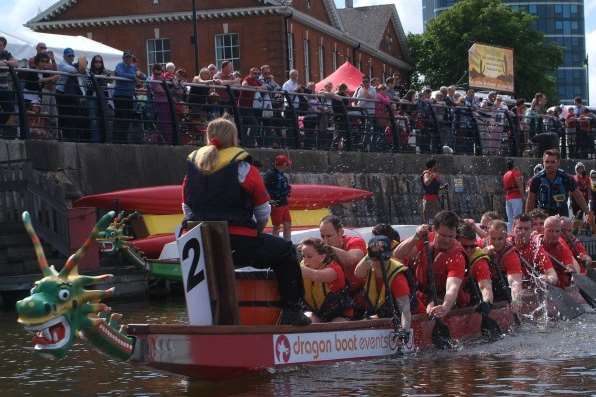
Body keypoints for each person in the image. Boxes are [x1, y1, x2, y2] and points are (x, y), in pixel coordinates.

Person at [181, 118, 310, 325]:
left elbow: (187, 208)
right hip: (240, 245)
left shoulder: (194, 167)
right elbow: (262, 210)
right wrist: (257, 231)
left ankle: (205, 319)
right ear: (233, 138)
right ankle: (292, 311)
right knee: (286, 251)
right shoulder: (243, 167)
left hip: (202, 247)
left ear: (208, 137)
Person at [394, 210, 465, 318]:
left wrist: (445, 307)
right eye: (443, 235)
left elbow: (453, 287)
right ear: (435, 230)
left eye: (451, 236)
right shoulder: (424, 238)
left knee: (432, 307)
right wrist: (416, 236)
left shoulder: (457, 255)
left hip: (441, 297)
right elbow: (398, 254)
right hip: (418, 293)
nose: (447, 240)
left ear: (456, 233)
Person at [354, 236, 411, 332]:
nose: (379, 262)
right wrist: (371, 251)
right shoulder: (368, 269)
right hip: (385, 317)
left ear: (389, 257)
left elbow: (405, 311)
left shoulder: (397, 278)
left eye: (384, 258)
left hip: (409, 319)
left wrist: (404, 331)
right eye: (375, 258)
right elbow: (358, 273)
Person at [319, 215, 367, 314]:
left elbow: (351, 260)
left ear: (340, 232)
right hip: (337, 300)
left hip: (363, 298)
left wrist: (329, 248)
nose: (325, 241)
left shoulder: (355, 241)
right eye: (322, 236)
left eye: (328, 236)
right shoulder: (322, 250)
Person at [299, 238, 351, 323]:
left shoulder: (334, 270)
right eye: (303, 256)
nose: (305, 260)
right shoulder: (303, 267)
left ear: (322, 257)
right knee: (308, 319)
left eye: (309, 256)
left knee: (337, 323)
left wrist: (293, 268)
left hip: (338, 315)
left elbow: (315, 275)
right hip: (315, 313)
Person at [526, 149, 590, 218]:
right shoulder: (536, 179)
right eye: (547, 162)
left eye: (553, 162)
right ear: (543, 163)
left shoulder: (567, 178)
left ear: (558, 162)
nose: (549, 165)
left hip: (562, 215)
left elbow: (578, 197)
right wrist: (527, 219)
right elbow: (530, 201)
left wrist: (588, 213)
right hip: (543, 215)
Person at [483, 220, 523, 311]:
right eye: (493, 239)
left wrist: (516, 300)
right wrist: (483, 253)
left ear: (506, 237)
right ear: (488, 236)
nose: (496, 242)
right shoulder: (481, 244)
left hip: (502, 285)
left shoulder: (511, 255)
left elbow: (515, 281)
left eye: (500, 239)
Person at [509, 213, 558, 285]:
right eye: (519, 228)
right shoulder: (506, 244)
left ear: (531, 230)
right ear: (513, 228)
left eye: (526, 229)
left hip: (528, 286)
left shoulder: (536, 249)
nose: (522, 232)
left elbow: (553, 276)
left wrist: (546, 278)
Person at [457, 223, 494, 311]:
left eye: (472, 246)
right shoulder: (447, 250)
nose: (469, 250)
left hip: (468, 299)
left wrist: (487, 303)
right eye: (465, 247)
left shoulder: (480, 261)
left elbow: (485, 286)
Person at [539, 216, 581, 289]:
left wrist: (571, 270)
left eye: (557, 231)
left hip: (557, 284)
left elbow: (570, 265)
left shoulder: (562, 245)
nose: (554, 234)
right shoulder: (535, 241)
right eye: (550, 231)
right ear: (543, 230)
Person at [113, 50, 145, 143]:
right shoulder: (119, 65)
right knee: (119, 118)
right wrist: (134, 77)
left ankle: (124, 139)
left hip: (129, 96)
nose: (128, 59)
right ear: (123, 58)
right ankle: (117, 139)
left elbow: (144, 76)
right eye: (126, 57)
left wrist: (140, 75)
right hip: (119, 96)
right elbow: (120, 73)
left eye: (129, 57)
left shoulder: (133, 67)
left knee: (127, 118)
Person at [264, 154, 292, 241]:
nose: (288, 166)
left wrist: (288, 191)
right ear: (283, 164)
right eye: (287, 164)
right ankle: (275, 243)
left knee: (287, 223)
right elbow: (264, 190)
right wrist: (273, 203)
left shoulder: (281, 175)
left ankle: (287, 242)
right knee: (276, 226)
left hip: (284, 203)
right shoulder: (270, 175)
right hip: (276, 203)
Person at [502, 160, 524, 231]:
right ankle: (518, 233)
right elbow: (519, 184)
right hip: (516, 197)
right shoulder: (515, 172)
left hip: (508, 198)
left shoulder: (505, 175)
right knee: (518, 217)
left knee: (510, 219)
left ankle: (510, 233)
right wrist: (523, 196)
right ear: (513, 165)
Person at [421, 158, 443, 224]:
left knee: (437, 218)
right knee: (429, 219)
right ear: (433, 166)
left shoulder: (434, 174)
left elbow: (434, 187)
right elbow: (426, 183)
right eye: (436, 165)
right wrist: (432, 177)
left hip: (435, 199)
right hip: (429, 200)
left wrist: (442, 187)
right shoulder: (427, 173)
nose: (437, 166)